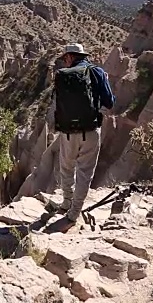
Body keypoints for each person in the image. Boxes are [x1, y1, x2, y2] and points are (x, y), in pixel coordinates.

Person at [49, 43, 115, 222]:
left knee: (66, 168)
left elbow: (56, 104)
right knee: (85, 172)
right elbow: (110, 102)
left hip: (68, 132)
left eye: (65, 58)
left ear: (70, 57)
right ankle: (74, 212)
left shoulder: (63, 75)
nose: (65, 61)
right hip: (91, 130)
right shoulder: (98, 72)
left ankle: (66, 202)